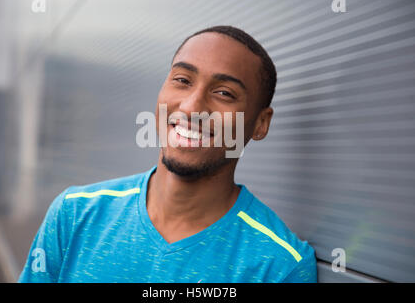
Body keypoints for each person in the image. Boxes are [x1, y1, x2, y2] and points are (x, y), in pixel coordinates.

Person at [19, 26, 317, 283]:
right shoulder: (74, 215)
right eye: (182, 80)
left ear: (260, 124)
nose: (191, 107)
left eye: (224, 93)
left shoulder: (279, 265)